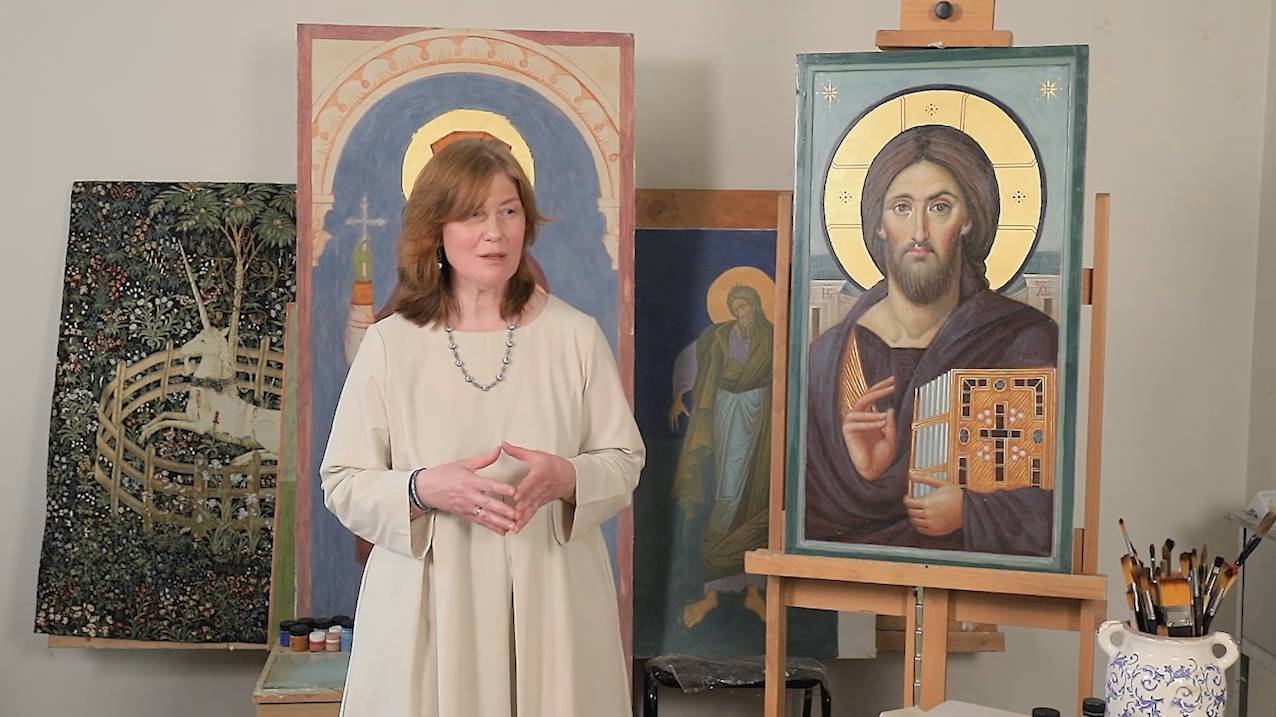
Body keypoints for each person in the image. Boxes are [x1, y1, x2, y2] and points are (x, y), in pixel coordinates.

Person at [321, 138, 645, 716]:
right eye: (473, 214)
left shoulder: (574, 336)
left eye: (508, 211)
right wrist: (422, 488)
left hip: (553, 598)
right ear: (436, 230)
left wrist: (568, 476)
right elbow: (343, 480)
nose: (495, 233)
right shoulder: (391, 344)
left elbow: (623, 460)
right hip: (429, 600)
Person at [804, 124, 1057, 556]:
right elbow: (809, 515)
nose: (919, 232)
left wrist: (971, 511)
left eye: (940, 207)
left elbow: (1045, 504)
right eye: (901, 208)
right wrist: (866, 473)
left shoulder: (1020, 341)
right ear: (879, 224)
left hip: (977, 589)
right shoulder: (829, 359)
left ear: (969, 219)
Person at [667, 284, 773, 626]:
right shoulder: (718, 336)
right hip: (727, 414)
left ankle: (754, 591)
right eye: (736, 306)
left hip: (764, 421)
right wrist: (679, 394)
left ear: (757, 306)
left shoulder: (773, 337)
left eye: (746, 305)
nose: (741, 312)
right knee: (727, 496)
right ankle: (712, 592)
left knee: (758, 500)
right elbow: (690, 360)